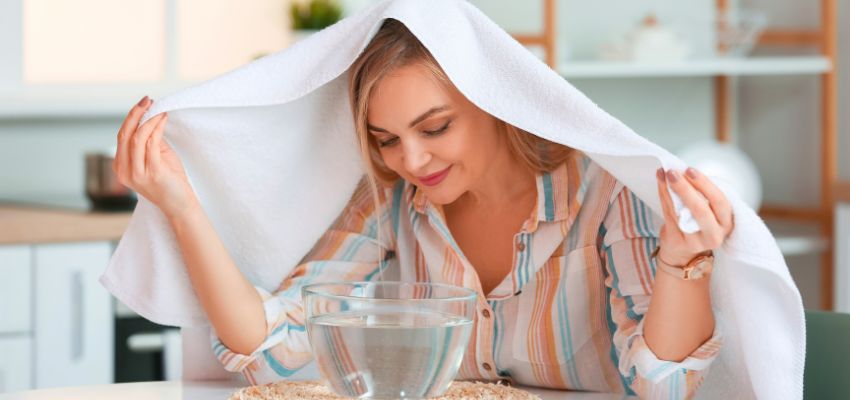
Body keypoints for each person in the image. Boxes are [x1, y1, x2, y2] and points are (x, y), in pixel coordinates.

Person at [113, 19, 733, 398]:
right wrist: (181, 205)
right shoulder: (392, 198)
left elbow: (664, 385)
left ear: (497, 101)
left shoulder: (606, 194)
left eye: (434, 128)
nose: (410, 160)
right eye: (386, 139)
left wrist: (686, 262)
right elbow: (276, 354)